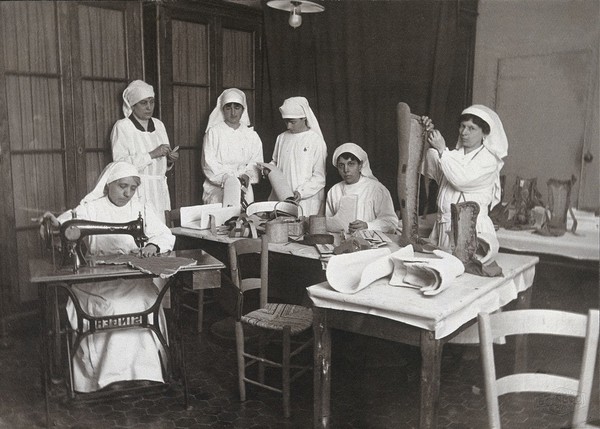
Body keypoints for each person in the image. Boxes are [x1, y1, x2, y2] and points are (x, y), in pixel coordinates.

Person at [40, 161, 176, 393]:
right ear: (108, 184)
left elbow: (165, 234)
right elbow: (62, 226)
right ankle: (107, 377)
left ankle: (144, 372)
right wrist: (53, 224)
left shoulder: (141, 208)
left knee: (145, 300)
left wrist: (153, 244)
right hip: (95, 280)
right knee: (112, 306)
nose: (128, 193)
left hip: (132, 278)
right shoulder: (89, 208)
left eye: (133, 188)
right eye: (123, 186)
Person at [421, 105, 508, 262]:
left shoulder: (489, 161)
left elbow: (460, 179)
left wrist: (441, 149)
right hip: (444, 229)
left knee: (467, 279)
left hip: (472, 231)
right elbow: (430, 158)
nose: (463, 132)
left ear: (485, 133)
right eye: (462, 126)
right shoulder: (453, 155)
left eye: (471, 128)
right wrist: (427, 133)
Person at [111, 80, 178, 218]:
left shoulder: (159, 125)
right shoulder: (123, 126)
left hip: (159, 190)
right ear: (133, 106)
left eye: (151, 102)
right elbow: (120, 165)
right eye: (144, 103)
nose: (149, 107)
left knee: (161, 230)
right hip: (138, 190)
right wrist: (151, 155)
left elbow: (162, 163)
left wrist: (169, 160)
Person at [264, 96, 327, 216]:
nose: (288, 126)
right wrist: (268, 168)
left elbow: (320, 177)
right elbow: (275, 162)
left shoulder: (315, 140)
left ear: (304, 118)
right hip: (281, 196)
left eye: (292, 122)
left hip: (306, 199)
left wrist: (301, 192)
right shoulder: (281, 138)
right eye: (286, 121)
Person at [201, 88, 264, 205]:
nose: (233, 113)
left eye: (237, 107)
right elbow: (209, 163)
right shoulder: (214, 132)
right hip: (218, 188)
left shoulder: (251, 135)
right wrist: (228, 180)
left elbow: (256, 161)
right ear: (222, 109)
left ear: (243, 110)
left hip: (244, 187)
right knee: (222, 218)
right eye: (228, 107)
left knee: (244, 219)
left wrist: (247, 175)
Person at [326, 143, 398, 234]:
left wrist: (368, 226)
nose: (346, 170)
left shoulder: (376, 189)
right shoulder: (334, 191)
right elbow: (329, 223)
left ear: (360, 166)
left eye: (351, 164)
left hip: (371, 243)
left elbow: (391, 222)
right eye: (341, 165)